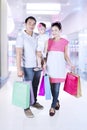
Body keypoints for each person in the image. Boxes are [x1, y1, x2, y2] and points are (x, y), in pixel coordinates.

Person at [44, 21, 75, 116]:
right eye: (52, 30)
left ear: (60, 30)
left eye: (56, 30)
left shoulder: (65, 42)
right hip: (50, 67)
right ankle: (56, 101)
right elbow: (45, 54)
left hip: (59, 67)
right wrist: (44, 63)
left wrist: (71, 64)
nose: (54, 32)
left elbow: (66, 55)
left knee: (56, 89)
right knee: (52, 88)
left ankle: (52, 107)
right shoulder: (48, 41)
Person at [16, 16, 44, 118]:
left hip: (37, 66)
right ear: (25, 24)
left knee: (35, 85)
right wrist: (19, 69)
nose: (32, 25)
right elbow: (18, 53)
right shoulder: (21, 36)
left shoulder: (37, 36)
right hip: (27, 66)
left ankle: (34, 102)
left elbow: (40, 50)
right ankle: (26, 107)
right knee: (27, 87)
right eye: (30, 23)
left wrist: (42, 62)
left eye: (33, 24)